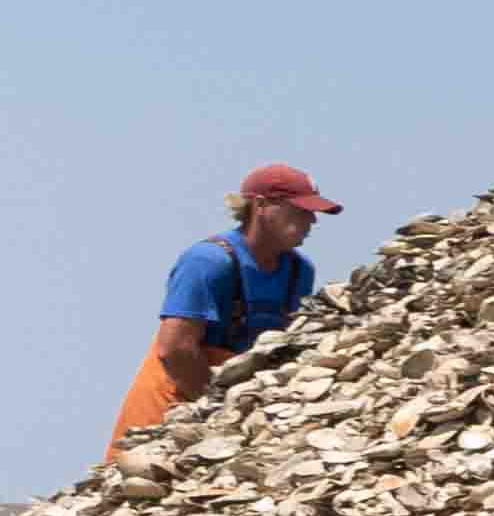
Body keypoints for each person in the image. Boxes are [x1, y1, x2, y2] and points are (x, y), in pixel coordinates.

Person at [99, 161, 339, 463]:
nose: (312, 221)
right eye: (301, 211)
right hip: (173, 401)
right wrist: (216, 410)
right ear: (262, 206)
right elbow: (175, 350)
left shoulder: (298, 272)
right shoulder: (208, 261)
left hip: (237, 406)